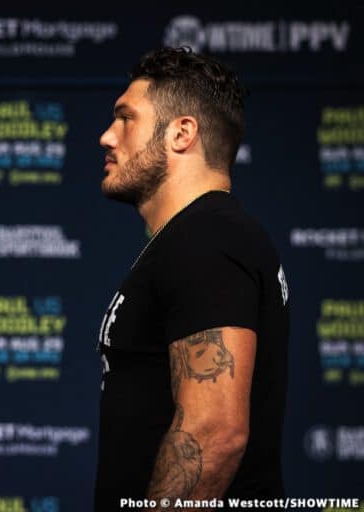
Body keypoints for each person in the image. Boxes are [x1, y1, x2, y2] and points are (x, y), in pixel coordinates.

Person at [94, 47, 289, 510]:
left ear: (181, 133)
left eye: (126, 119)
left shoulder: (207, 238)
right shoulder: (202, 237)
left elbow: (214, 432)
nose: (106, 136)